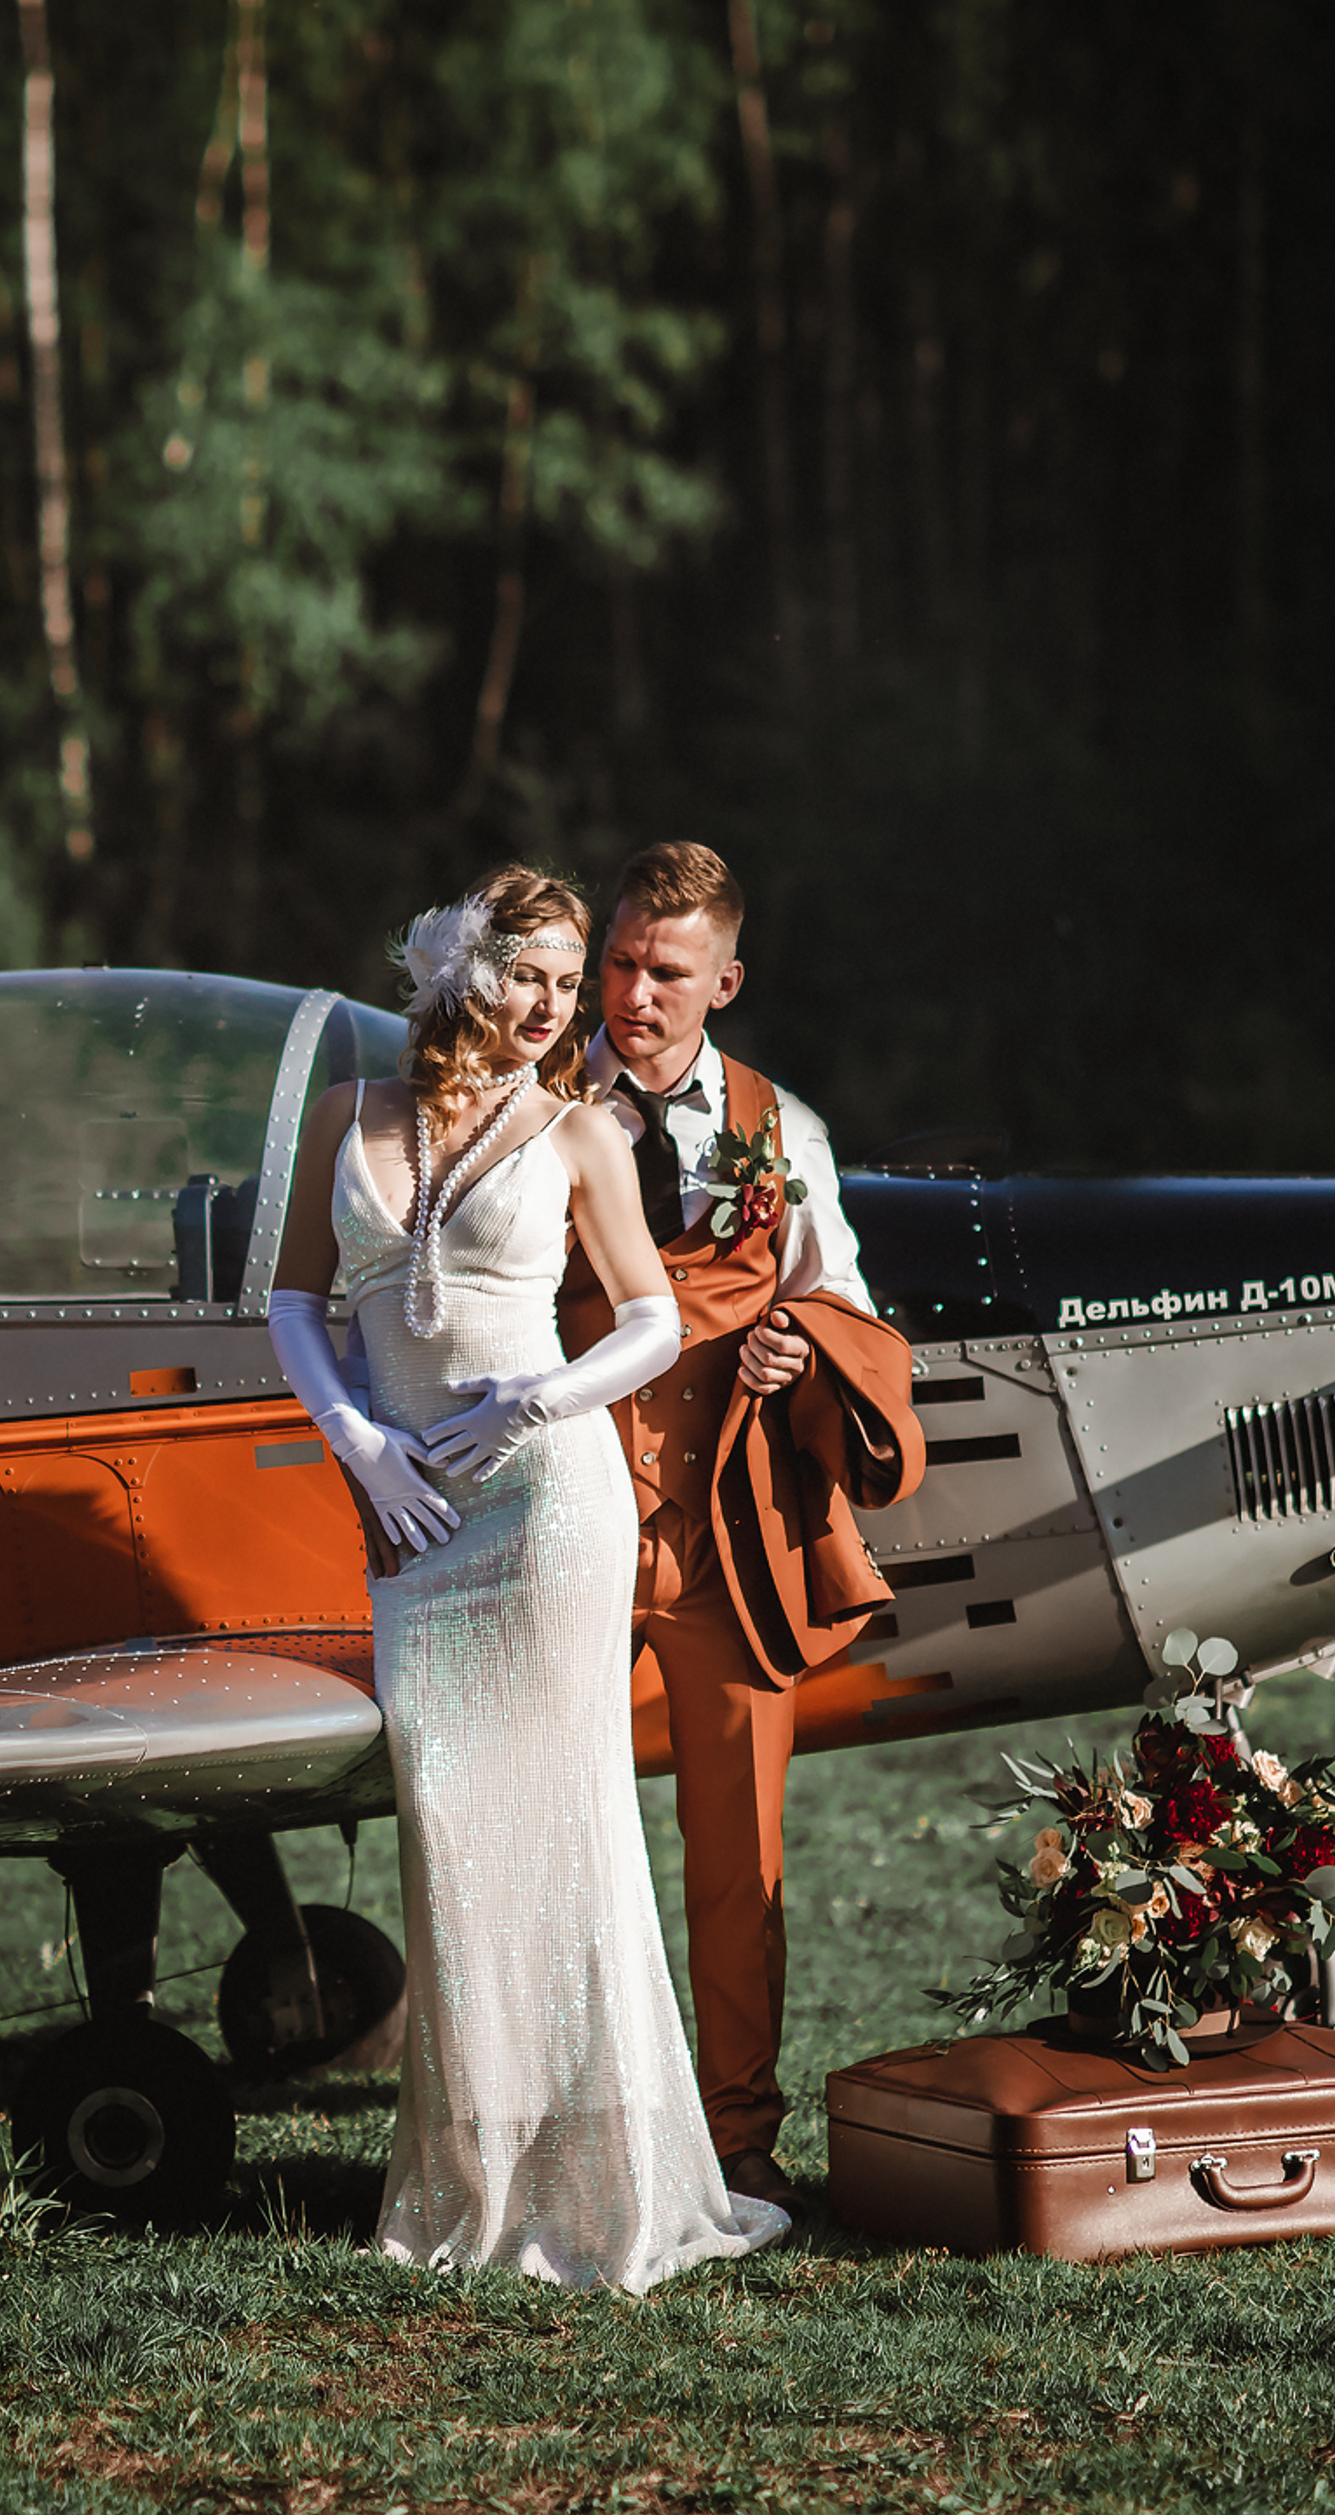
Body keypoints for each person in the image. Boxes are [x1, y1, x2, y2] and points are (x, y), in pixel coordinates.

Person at [267, 862, 788, 2292]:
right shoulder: (343, 1117)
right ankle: (467, 2177)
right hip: (414, 1522)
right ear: (454, 969)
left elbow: (651, 1324)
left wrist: (533, 1408)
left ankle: (611, 2184)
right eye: (535, 975)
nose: (559, 1006)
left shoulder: (579, 1133)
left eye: (574, 982)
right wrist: (362, 1442)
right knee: (446, 1822)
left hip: (548, 1509)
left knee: (569, 1826)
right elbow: (293, 1300)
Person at [555, 840, 910, 2214]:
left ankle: (736, 2131)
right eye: (623, 961)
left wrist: (800, 1356)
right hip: (567, 1520)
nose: (634, 993)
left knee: (737, 1847)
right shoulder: (534, 1103)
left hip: (726, 1539)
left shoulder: (783, 1128)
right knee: (556, 1825)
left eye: (667, 971)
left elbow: (856, 1312)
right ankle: (566, 2122)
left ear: (727, 981)